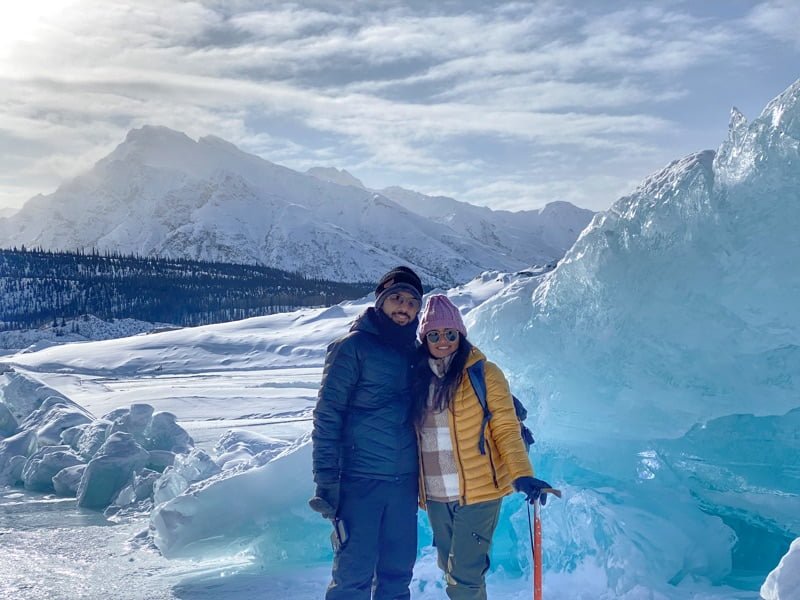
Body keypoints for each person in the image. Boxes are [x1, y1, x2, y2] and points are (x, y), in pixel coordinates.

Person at [412, 294, 552, 600]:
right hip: (436, 494)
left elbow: (504, 427)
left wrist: (522, 474)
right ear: (425, 339)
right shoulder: (416, 378)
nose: (443, 341)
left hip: (480, 490)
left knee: (464, 576)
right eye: (434, 335)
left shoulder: (484, 373)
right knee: (453, 571)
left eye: (450, 334)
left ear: (460, 335)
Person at [310, 266, 424, 600]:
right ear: (380, 302)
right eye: (397, 299)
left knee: (397, 577)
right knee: (352, 579)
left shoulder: (417, 352)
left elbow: (458, 380)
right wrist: (326, 481)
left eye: (412, 302)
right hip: (360, 481)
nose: (404, 308)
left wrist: (506, 407)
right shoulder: (352, 347)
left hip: (404, 484)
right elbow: (327, 416)